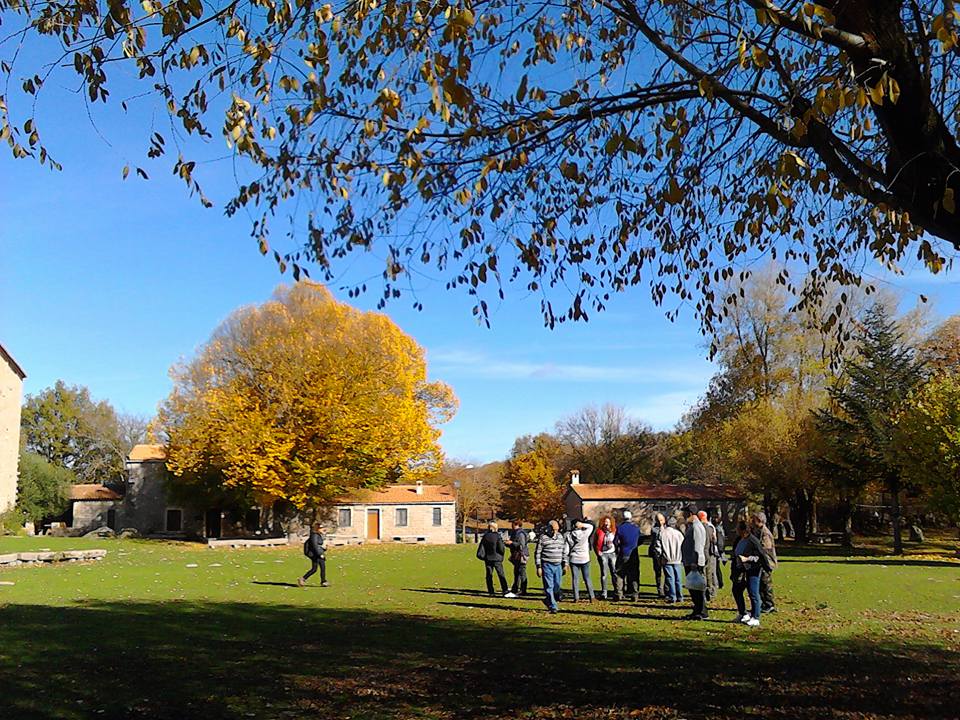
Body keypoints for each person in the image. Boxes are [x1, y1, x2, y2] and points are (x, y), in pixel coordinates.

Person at [731, 520, 771, 627]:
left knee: (753, 592)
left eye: (738, 528)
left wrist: (747, 559)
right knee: (736, 590)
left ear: (743, 530)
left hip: (753, 569)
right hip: (740, 570)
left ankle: (755, 617)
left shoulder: (753, 541)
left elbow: (760, 557)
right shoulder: (739, 539)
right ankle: (743, 613)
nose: (736, 530)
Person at [681, 505, 708, 620]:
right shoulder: (693, 526)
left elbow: (698, 545)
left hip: (694, 562)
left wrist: (695, 562)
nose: (684, 516)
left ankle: (701, 611)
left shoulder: (696, 527)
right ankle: (697, 609)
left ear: (691, 514)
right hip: (691, 561)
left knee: (696, 588)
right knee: (693, 588)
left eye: (685, 514)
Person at [535, 519, 567, 613]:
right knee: (549, 586)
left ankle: (548, 600)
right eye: (553, 530)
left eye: (556, 530)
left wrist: (565, 564)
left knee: (557, 585)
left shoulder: (560, 537)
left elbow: (564, 551)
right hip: (547, 565)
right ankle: (553, 606)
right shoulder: (543, 538)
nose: (555, 532)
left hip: (558, 565)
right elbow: (537, 553)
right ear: (548, 528)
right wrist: (538, 567)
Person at [751, 512, 778, 613]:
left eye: (754, 520)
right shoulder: (757, 531)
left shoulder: (765, 533)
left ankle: (769, 604)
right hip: (760, 562)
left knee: (765, 583)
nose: (752, 522)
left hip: (767, 562)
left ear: (759, 520)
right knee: (761, 584)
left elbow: (765, 549)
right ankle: (764, 603)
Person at [477, 521, 510, 597]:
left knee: (489, 575)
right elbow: (501, 548)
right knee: (501, 574)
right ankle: (505, 590)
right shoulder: (497, 536)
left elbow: (482, 547)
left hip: (488, 558)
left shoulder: (485, 536)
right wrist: (501, 554)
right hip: (497, 558)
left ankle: (491, 591)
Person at [566, 517, 595, 602]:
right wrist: (582, 524)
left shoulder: (569, 535)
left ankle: (576, 597)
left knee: (575, 579)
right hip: (584, 558)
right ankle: (592, 597)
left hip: (573, 558)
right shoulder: (584, 533)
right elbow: (591, 527)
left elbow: (566, 550)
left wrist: (566, 560)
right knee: (587, 578)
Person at [615, 510, 641, 601]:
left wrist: (618, 547)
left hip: (623, 553)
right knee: (634, 574)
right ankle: (635, 594)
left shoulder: (620, 528)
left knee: (620, 574)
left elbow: (615, 541)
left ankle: (619, 593)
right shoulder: (636, 528)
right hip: (634, 554)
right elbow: (640, 539)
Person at [659, 516, 685, 603]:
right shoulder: (679, 534)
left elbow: (658, 547)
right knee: (678, 578)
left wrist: (660, 557)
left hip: (667, 559)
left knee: (670, 578)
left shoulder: (663, 533)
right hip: (678, 558)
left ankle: (672, 596)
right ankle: (680, 596)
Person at [594, 516, 618, 600]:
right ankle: (604, 592)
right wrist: (598, 552)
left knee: (614, 573)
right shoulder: (599, 531)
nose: (606, 523)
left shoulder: (614, 531)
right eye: (605, 522)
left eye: (608, 522)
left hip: (612, 553)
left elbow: (618, 541)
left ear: (611, 523)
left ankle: (617, 591)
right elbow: (595, 543)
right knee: (604, 574)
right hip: (603, 554)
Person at [298, 522, 328, 587]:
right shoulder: (314, 535)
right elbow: (315, 546)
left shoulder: (318, 535)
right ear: (317, 529)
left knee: (315, 568)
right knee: (321, 567)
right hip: (314, 554)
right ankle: (323, 581)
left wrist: (324, 548)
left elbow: (319, 545)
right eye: (321, 528)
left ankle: (303, 579)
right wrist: (320, 554)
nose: (323, 529)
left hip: (316, 553)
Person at [504, 519, 529, 596]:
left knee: (522, 572)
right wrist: (507, 544)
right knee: (516, 572)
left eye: (512, 524)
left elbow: (521, 545)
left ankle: (523, 590)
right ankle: (515, 588)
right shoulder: (515, 532)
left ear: (516, 524)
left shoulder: (520, 533)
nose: (511, 526)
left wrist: (511, 543)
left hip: (521, 555)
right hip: (517, 555)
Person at [699, 510, 719, 602]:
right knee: (709, 573)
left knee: (710, 573)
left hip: (710, 552)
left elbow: (714, 540)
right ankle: (709, 591)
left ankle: (711, 591)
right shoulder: (709, 526)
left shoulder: (708, 527)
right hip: (708, 552)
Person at [648, 513, 666, 598]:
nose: (660, 522)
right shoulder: (654, 530)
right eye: (658, 520)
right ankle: (660, 590)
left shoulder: (668, 529)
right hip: (657, 554)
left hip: (666, 553)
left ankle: (667, 589)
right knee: (658, 572)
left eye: (661, 520)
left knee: (667, 572)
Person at [711, 507, 726, 590]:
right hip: (718, 550)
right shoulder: (719, 528)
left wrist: (720, 550)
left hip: (717, 550)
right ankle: (720, 582)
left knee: (716, 568)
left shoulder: (717, 529)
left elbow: (720, 541)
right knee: (717, 568)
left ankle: (719, 583)